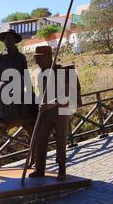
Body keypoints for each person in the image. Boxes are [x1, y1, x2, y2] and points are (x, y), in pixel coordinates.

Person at [28, 46, 81, 181]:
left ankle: (62, 170)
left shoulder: (62, 72)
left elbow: (68, 95)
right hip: (45, 112)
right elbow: (41, 93)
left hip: (60, 111)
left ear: (48, 57)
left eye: (39, 59)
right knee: (40, 138)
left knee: (60, 140)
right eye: (36, 59)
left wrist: (52, 103)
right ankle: (39, 169)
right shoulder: (41, 74)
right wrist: (40, 103)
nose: (37, 62)